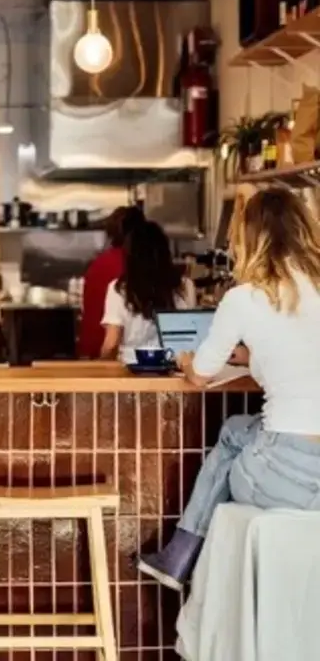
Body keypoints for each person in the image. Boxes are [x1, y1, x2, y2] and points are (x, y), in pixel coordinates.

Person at [138, 187, 320, 591]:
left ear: (250, 238)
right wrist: (252, 357)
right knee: (240, 426)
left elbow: (201, 375)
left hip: (284, 477)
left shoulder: (243, 298)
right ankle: (179, 556)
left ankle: (180, 553)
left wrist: (186, 361)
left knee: (232, 435)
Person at [100, 220, 196, 363]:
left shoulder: (119, 289)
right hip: (174, 368)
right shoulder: (185, 286)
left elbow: (111, 344)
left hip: (131, 369)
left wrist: (101, 364)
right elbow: (190, 338)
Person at [78, 206, 145, 358]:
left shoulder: (99, 264)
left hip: (95, 348)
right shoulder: (139, 264)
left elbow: (89, 312)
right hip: (116, 353)